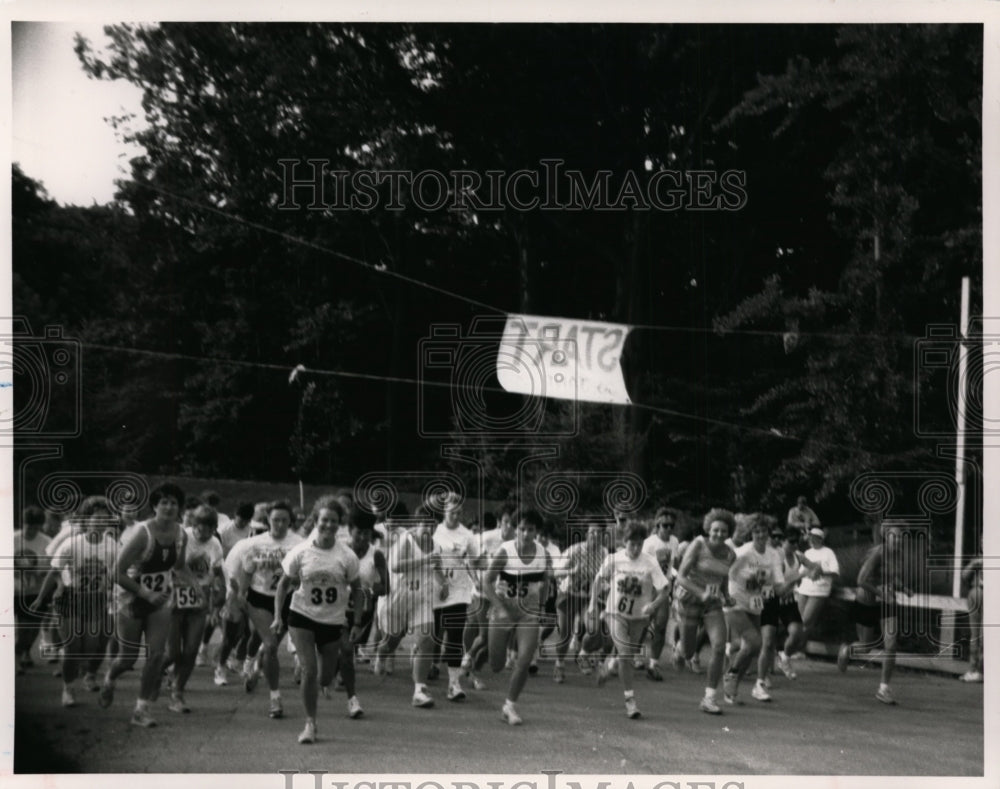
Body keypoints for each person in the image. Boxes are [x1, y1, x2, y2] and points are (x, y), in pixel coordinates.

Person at [99, 483, 195, 727]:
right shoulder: (141, 533)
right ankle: (110, 677)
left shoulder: (181, 534)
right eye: (164, 502)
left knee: (156, 655)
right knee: (128, 659)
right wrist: (145, 592)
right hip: (131, 599)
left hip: (160, 601)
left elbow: (180, 566)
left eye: (174, 503)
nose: (169, 507)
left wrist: (197, 589)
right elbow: (115, 573)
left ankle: (141, 710)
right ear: (154, 506)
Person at [273, 498, 365, 744]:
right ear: (316, 520)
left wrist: (356, 622)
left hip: (333, 621)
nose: (328, 525)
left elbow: (357, 590)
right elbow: (283, 585)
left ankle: (324, 681)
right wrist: (277, 618)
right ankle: (310, 724)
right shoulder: (301, 551)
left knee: (325, 678)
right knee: (309, 671)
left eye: (334, 521)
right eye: (324, 520)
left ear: (339, 524)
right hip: (301, 616)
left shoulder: (347, 556)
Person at [32, 497, 117, 707]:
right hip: (70, 598)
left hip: (95, 600)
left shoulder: (112, 546)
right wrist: (40, 598)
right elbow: (53, 573)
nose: (101, 523)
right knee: (72, 647)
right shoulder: (73, 544)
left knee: (88, 647)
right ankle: (68, 689)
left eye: (105, 520)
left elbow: (118, 573)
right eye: (97, 519)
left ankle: (77, 667)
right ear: (87, 520)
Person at [589, 521, 671, 718]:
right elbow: (599, 579)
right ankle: (630, 700)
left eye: (639, 544)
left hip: (639, 617)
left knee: (626, 655)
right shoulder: (614, 559)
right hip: (614, 613)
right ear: (624, 542)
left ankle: (610, 666)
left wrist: (654, 605)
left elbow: (664, 590)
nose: (635, 548)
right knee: (626, 653)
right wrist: (593, 603)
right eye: (631, 544)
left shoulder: (650, 562)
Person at [235, 499, 305, 718]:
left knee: (265, 642)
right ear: (267, 520)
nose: (280, 524)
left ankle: (254, 668)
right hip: (259, 598)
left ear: (290, 522)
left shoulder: (300, 543)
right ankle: (275, 697)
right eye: (275, 520)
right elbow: (247, 571)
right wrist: (240, 595)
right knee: (271, 645)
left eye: (284, 520)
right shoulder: (255, 543)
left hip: (287, 601)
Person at [723, 516, 804, 704]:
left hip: (756, 604)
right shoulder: (742, 552)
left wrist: (799, 577)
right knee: (755, 643)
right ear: (750, 534)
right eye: (756, 532)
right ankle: (731, 674)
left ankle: (732, 689)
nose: (760, 535)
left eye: (763, 531)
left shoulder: (773, 555)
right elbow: (724, 574)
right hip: (735, 601)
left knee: (749, 648)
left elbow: (779, 589)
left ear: (768, 533)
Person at [483, 508, 552, 725]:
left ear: (536, 531)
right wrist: (499, 608)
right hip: (503, 609)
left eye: (530, 530)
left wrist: (541, 606)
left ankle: (510, 706)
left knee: (524, 659)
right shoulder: (505, 552)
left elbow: (547, 582)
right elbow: (486, 582)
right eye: (521, 529)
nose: (524, 534)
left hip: (527, 612)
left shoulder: (543, 554)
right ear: (515, 529)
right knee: (496, 664)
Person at [375, 502, 446, 708]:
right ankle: (380, 654)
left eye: (433, 525)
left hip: (419, 600)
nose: (429, 528)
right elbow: (396, 566)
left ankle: (419, 690)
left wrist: (444, 583)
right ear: (418, 522)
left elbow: (437, 564)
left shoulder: (435, 545)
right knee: (391, 642)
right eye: (425, 523)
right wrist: (424, 560)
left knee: (427, 638)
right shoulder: (405, 539)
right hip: (396, 600)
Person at [837, 522, 913, 704]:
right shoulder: (878, 553)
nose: (898, 541)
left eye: (901, 538)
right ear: (887, 537)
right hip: (867, 601)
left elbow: (892, 577)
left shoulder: (900, 555)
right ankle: (847, 650)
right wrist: (880, 593)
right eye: (894, 536)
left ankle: (884, 688)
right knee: (866, 647)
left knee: (891, 642)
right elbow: (860, 580)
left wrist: (902, 588)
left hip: (887, 603)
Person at [674, 508, 737, 714]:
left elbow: (724, 577)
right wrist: (701, 594)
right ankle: (680, 649)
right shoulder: (698, 545)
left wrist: (726, 596)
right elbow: (681, 577)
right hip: (690, 598)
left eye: (724, 531)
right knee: (689, 651)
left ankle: (709, 698)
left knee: (719, 646)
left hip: (712, 603)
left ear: (729, 534)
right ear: (708, 529)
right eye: (715, 530)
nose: (719, 534)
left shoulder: (730, 554)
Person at [163, 505, 225, 712]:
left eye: (209, 529)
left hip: (199, 600)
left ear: (214, 529)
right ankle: (156, 673)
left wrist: (220, 593)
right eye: (200, 528)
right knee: (173, 653)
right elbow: (174, 566)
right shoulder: (182, 537)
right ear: (193, 525)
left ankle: (177, 693)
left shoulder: (215, 544)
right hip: (175, 596)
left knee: (190, 651)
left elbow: (217, 571)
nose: (204, 533)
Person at [330, 509, 387, 717]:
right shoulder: (339, 551)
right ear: (350, 532)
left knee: (346, 649)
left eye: (366, 534)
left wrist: (369, 590)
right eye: (358, 533)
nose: (362, 538)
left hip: (362, 611)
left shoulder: (377, 555)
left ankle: (338, 673)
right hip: (336, 608)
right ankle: (351, 698)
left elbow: (386, 587)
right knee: (344, 649)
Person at [431, 493, 479, 701]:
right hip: (433, 588)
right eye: (452, 511)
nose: (456, 515)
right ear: (444, 511)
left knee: (455, 635)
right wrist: (440, 581)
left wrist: (479, 580)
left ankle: (453, 684)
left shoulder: (467, 535)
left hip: (458, 591)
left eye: (459, 512)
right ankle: (429, 662)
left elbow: (475, 561)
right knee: (433, 632)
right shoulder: (434, 531)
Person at [462, 507, 515, 688]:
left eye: (513, 524)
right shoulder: (486, 538)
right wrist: (475, 579)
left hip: (504, 597)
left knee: (493, 644)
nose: (509, 527)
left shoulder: (518, 544)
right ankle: (468, 655)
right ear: (500, 522)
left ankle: (474, 671)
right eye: (506, 522)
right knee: (484, 635)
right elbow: (469, 561)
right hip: (482, 594)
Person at [553, 518, 610, 681]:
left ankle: (583, 654)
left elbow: (607, 577)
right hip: (569, 595)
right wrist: (571, 571)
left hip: (588, 598)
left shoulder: (604, 554)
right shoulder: (575, 550)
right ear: (587, 533)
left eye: (599, 533)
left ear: (603, 536)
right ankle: (559, 664)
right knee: (565, 633)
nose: (595, 535)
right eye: (592, 532)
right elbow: (555, 572)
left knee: (595, 629)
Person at [760, 526, 807, 684]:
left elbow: (815, 566)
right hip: (772, 600)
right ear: (783, 542)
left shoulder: (798, 556)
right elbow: (777, 588)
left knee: (797, 633)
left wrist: (815, 570)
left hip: (788, 601)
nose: (795, 545)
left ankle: (784, 658)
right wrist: (798, 578)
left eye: (797, 542)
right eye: (791, 541)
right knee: (768, 640)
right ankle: (763, 675)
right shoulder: (777, 558)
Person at [641, 508, 679, 680]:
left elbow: (673, 564)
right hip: (648, 588)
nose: (668, 529)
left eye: (671, 525)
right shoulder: (649, 543)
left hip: (663, 588)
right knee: (642, 623)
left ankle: (653, 663)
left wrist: (673, 581)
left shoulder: (674, 541)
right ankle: (633, 654)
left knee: (661, 625)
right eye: (665, 525)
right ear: (657, 525)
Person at [15, 505, 52, 673]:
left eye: (36, 528)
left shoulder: (46, 542)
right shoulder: (11, 539)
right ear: (23, 524)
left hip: (36, 591)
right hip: (14, 591)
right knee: (22, 628)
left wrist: (38, 572)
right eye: (29, 526)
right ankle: (16, 659)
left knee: (33, 627)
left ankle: (25, 651)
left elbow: (50, 568)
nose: (32, 531)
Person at [796, 527, 840, 642]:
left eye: (813, 537)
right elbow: (801, 572)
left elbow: (835, 573)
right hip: (804, 589)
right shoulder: (807, 553)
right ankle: (800, 648)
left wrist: (821, 572)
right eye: (810, 537)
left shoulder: (828, 552)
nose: (810, 539)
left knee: (806, 620)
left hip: (819, 590)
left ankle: (796, 648)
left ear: (820, 539)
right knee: (800, 622)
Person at [959, 553, 983, 682]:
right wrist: (974, 564)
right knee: (975, 634)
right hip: (976, 592)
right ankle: (973, 669)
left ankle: (981, 670)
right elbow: (964, 576)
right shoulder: (978, 558)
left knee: (985, 634)